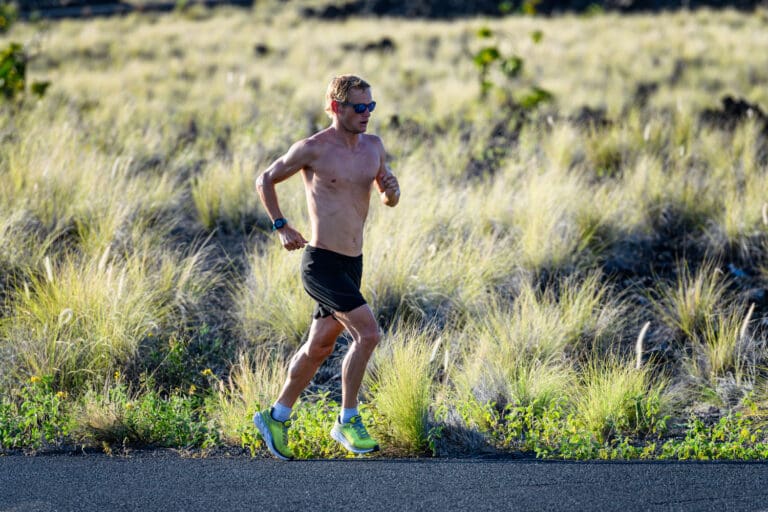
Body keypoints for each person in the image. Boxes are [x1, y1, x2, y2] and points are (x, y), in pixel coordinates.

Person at [253, 74, 400, 460]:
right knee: (368, 335)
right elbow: (265, 180)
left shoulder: (374, 147)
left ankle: (276, 416)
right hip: (321, 264)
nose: (366, 114)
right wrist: (281, 226)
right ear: (336, 107)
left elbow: (385, 195)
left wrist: (392, 194)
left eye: (371, 106)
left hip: (354, 263)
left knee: (319, 345)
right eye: (358, 107)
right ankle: (347, 420)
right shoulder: (312, 149)